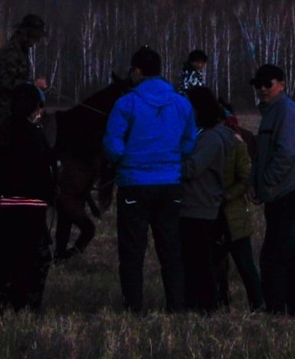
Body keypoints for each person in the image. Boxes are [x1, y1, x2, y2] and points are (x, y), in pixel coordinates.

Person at [104, 45, 198, 312]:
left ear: (136, 71)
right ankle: (177, 306)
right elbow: (190, 141)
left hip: (134, 183)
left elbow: (112, 144)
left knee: (132, 252)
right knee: (171, 250)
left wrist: (125, 159)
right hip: (170, 183)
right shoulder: (181, 103)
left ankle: (134, 308)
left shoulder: (126, 103)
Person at [0, 83, 57, 312]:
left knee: (0, 266)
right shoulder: (38, 138)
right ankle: (21, 309)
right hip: (33, 212)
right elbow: (48, 178)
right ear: (33, 109)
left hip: (3, 211)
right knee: (27, 264)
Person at [249, 62, 295, 317]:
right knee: (284, 257)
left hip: (291, 195)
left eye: (268, 84)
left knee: (277, 258)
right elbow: (262, 155)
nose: (263, 89)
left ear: (281, 84)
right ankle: (294, 313)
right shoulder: (270, 112)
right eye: (258, 85)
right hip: (278, 197)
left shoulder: (286, 110)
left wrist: (265, 184)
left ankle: (279, 312)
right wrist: (254, 183)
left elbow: (286, 155)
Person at [179, 90, 235, 311]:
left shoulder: (211, 137)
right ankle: (198, 304)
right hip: (198, 205)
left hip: (200, 207)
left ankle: (206, 307)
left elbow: (193, 168)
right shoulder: (207, 134)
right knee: (195, 261)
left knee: (200, 262)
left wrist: (162, 165)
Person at [218, 104, 264, 311]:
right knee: (218, 264)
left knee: (244, 263)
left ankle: (257, 304)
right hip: (218, 214)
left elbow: (244, 179)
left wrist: (223, 197)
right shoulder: (208, 142)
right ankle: (221, 301)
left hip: (232, 215)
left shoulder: (237, 145)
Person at [0, 14, 49, 127]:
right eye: (35, 38)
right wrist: (33, 85)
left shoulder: (21, 51)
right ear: (27, 35)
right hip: (4, 109)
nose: (36, 42)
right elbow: (7, 83)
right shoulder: (10, 52)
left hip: (16, 107)